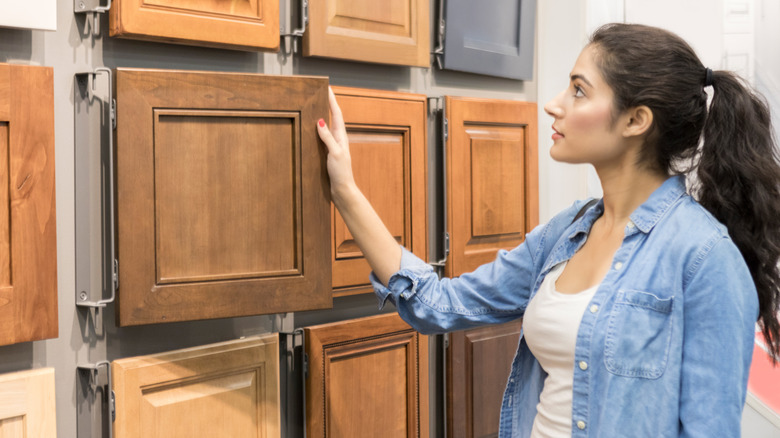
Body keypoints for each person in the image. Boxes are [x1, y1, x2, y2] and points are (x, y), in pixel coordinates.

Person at [316, 23, 780, 437]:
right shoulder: (567, 232)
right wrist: (346, 191)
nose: (553, 104)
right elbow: (439, 305)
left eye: (579, 91)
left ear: (636, 120)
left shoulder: (705, 260)